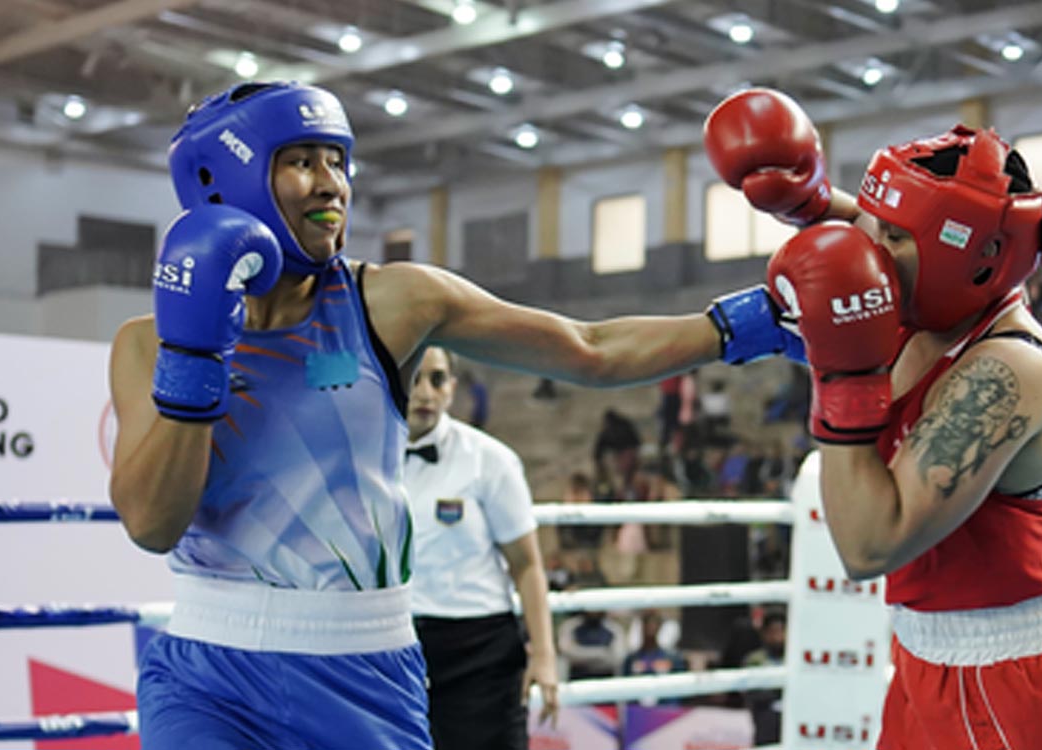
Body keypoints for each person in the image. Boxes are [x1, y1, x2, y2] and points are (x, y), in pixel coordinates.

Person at [108, 81, 802, 749]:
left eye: (338, 160)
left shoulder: (390, 302)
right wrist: (195, 353)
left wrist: (754, 321)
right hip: (210, 675)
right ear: (219, 184)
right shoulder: (146, 344)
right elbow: (151, 523)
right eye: (299, 160)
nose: (331, 185)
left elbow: (589, 348)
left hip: (362, 672)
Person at [703, 87, 1042, 748]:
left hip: (1008, 687)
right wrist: (807, 201)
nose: (874, 250)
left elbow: (869, 546)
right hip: (924, 667)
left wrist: (841, 375)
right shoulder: (943, 302)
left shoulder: (1009, 372)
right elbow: (901, 231)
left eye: (895, 236)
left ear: (969, 255)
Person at [399, 346, 557, 749]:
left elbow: (527, 565)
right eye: (415, 378)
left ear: (453, 386)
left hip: (480, 652)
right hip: (396, 644)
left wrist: (544, 655)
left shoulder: (491, 461)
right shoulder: (366, 458)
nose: (426, 393)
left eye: (437, 379)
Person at [743, 611, 787, 746]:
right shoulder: (755, 659)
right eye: (772, 632)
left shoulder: (797, 660)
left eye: (780, 631)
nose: (776, 637)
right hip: (765, 719)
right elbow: (751, 692)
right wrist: (779, 689)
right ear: (764, 634)